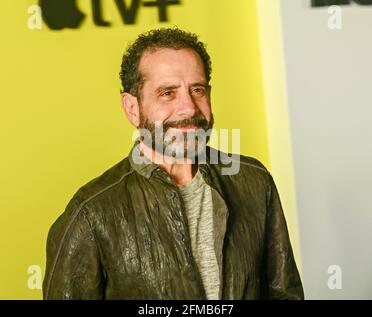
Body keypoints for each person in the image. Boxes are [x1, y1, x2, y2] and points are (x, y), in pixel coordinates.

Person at [42, 28, 304, 300]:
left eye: (197, 90)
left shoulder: (254, 181)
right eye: (167, 93)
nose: (189, 108)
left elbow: (285, 294)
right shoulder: (91, 211)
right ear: (132, 108)